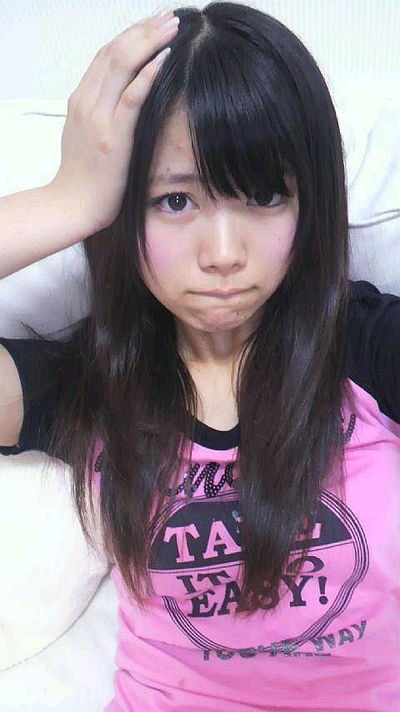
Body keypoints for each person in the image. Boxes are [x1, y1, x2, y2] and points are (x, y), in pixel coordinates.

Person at [0, 3, 399, 710]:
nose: (222, 254)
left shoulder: (367, 347)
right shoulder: (93, 382)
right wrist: (69, 199)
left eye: (265, 195)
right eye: (175, 200)